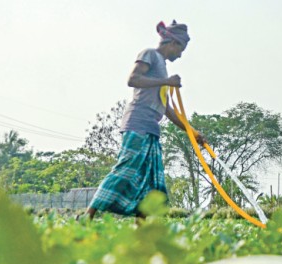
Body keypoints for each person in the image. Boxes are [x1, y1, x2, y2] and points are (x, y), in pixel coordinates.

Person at [83, 19, 205, 221]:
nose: (181, 54)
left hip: (151, 129)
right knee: (125, 171)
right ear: (173, 43)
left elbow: (167, 108)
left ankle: (142, 227)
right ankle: (87, 216)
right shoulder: (150, 54)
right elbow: (133, 79)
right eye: (181, 48)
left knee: (151, 183)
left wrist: (192, 131)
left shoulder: (162, 67)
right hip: (137, 124)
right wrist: (167, 81)